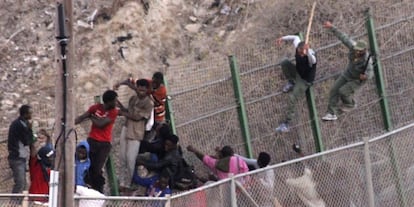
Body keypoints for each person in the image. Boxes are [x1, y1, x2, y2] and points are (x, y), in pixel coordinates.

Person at [321, 21, 374, 121]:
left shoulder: (367, 60)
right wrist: (332, 27)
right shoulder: (353, 47)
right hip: (348, 73)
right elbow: (343, 37)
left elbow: (370, 73)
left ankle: (350, 104)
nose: (357, 52)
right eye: (356, 50)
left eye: (359, 51)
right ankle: (331, 113)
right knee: (334, 90)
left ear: (364, 51)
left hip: (357, 79)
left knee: (343, 91)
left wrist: (365, 76)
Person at [75, 90, 119, 193]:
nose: (116, 103)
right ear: (108, 102)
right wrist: (70, 123)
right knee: (89, 166)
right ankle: (88, 188)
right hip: (92, 140)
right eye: (115, 101)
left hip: (104, 144)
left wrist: (91, 117)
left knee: (97, 169)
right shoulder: (95, 108)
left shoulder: (113, 112)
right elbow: (82, 117)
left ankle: (99, 190)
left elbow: (101, 124)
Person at [274, 34, 317, 132]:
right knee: (284, 62)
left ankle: (286, 124)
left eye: (302, 53)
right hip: (297, 73)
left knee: (292, 98)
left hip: (305, 81)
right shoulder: (298, 47)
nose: (301, 55)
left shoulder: (311, 56)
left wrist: (308, 52)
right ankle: (291, 81)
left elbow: (313, 60)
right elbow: (295, 38)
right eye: (299, 52)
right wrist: (282, 38)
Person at [118, 79, 154, 190]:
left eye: (143, 89)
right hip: (126, 127)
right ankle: (122, 183)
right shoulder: (133, 99)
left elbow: (137, 117)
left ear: (147, 90)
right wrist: (118, 105)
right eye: (139, 88)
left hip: (136, 133)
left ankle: (130, 183)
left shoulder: (149, 103)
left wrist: (122, 113)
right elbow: (128, 112)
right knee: (122, 157)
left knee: (130, 159)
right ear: (136, 88)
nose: (141, 91)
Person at [7, 104, 34, 193]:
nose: (31, 115)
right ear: (25, 114)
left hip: (20, 157)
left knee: (23, 184)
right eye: (30, 113)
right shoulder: (19, 125)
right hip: (17, 157)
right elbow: (27, 141)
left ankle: (18, 203)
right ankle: (14, 204)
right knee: (20, 183)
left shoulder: (22, 123)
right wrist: (30, 130)